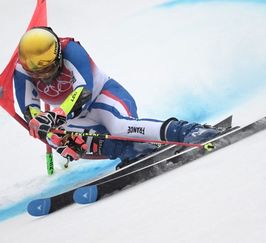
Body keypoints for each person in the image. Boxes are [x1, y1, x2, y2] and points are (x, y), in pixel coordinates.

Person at [13, 27, 219, 165]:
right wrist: (43, 125)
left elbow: (83, 90)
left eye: (47, 68)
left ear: (57, 55)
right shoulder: (22, 70)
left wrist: (58, 114)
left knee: (121, 127)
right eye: (35, 70)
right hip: (76, 117)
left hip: (103, 97)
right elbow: (29, 109)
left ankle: (188, 131)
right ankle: (132, 151)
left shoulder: (71, 50)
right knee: (56, 136)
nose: (42, 74)